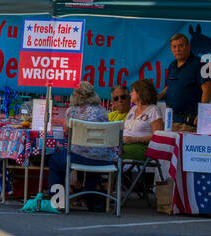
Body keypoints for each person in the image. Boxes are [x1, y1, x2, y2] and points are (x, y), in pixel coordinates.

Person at [47, 81, 119, 211]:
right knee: (93, 159)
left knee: (55, 160)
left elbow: (67, 133)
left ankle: (57, 201)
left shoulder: (72, 111)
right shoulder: (103, 111)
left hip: (80, 157)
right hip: (104, 160)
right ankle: (91, 198)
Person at [159, 32, 211, 129]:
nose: (177, 50)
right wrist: (158, 96)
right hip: (171, 121)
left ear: (188, 46)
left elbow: (207, 89)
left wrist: (202, 114)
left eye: (181, 46)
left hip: (190, 123)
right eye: (174, 47)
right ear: (171, 49)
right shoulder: (172, 65)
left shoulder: (201, 63)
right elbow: (170, 87)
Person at [121, 79, 164, 162]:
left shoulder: (153, 110)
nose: (130, 93)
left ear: (141, 93)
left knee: (113, 152)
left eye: (133, 91)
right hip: (125, 145)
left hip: (143, 148)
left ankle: (116, 175)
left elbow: (158, 137)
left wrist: (134, 139)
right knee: (108, 149)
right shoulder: (133, 109)